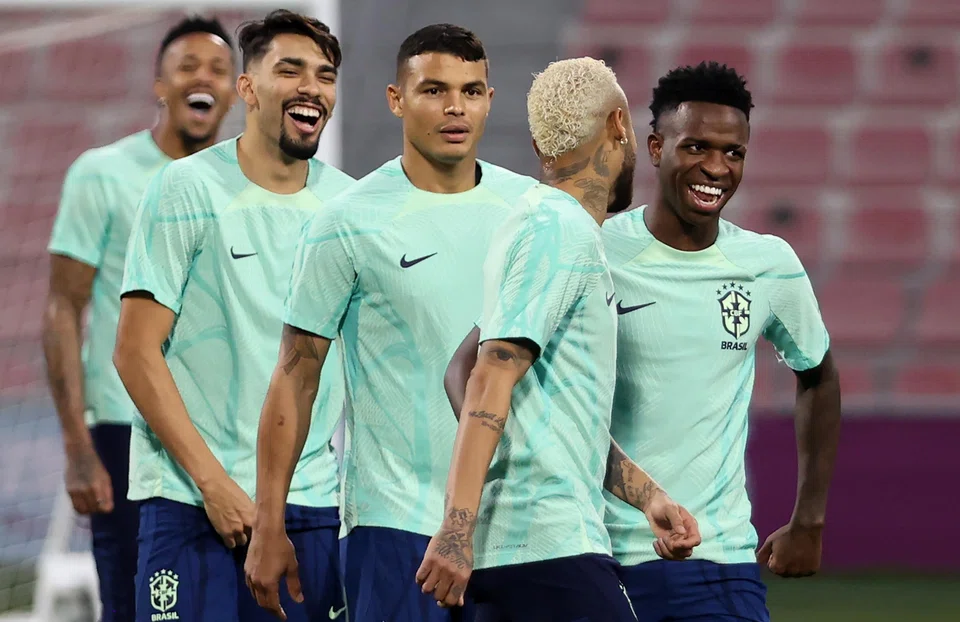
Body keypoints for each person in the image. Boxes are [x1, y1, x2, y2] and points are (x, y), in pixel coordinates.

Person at [243, 23, 541, 622]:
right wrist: (268, 522)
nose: (456, 106)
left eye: (472, 90)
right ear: (396, 99)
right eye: (434, 90)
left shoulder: (533, 212)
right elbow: (297, 375)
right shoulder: (346, 222)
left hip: (519, 530)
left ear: (490, 99)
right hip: (395, 527)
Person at [418, 57, 700, 622]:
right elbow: (488, 373)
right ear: (620, 124)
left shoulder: (541, 224)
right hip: (547, 551)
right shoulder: (558, 229)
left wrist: (648, 497)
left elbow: (464, 368)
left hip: (524, 552)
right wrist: (455, 529)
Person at [112, 10, 353, 621]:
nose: (311, 88)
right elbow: (135, 351)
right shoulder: (184, 189)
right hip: (193, 502)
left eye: (324, 76)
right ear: (247, 88)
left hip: (311, 506)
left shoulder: (349, 207)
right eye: (290, 70)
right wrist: (214, 485)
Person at [601, 61, 841, 621]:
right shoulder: (596, 251)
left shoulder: (767, 264)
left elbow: (819, 375)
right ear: (656, 147)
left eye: (733, 153)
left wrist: (809, 519)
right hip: (598, 555)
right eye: (697, 147)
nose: (716, 167)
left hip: (716, 560)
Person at [42, 15, 235, 620]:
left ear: (236, 90)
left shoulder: (247, 185)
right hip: (127, 430)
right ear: (160, 84)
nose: (202, 79)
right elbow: (62, 308)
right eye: (187, 67)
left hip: (226, 434)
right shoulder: (102, 173)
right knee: (137, 606)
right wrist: (77, 446)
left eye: (218, 70)